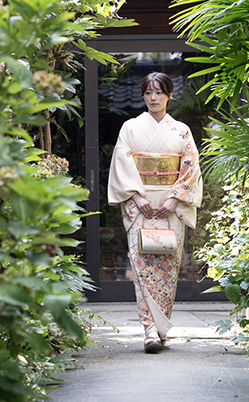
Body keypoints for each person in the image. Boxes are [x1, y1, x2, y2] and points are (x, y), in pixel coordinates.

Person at [107, 72, 203, 353]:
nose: (153, 98)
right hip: (141, 206)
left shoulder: (182, 130)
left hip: (171, 207)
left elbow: (190, 168)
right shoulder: (130, 127)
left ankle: (161, 327)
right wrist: (136, 196)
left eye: (159, 92)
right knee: (142, 270)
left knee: (167, 268)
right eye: (148, 92)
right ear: (142, 95)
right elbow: (121, 164)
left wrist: (175, 199)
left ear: (169, 95)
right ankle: (149, 328)